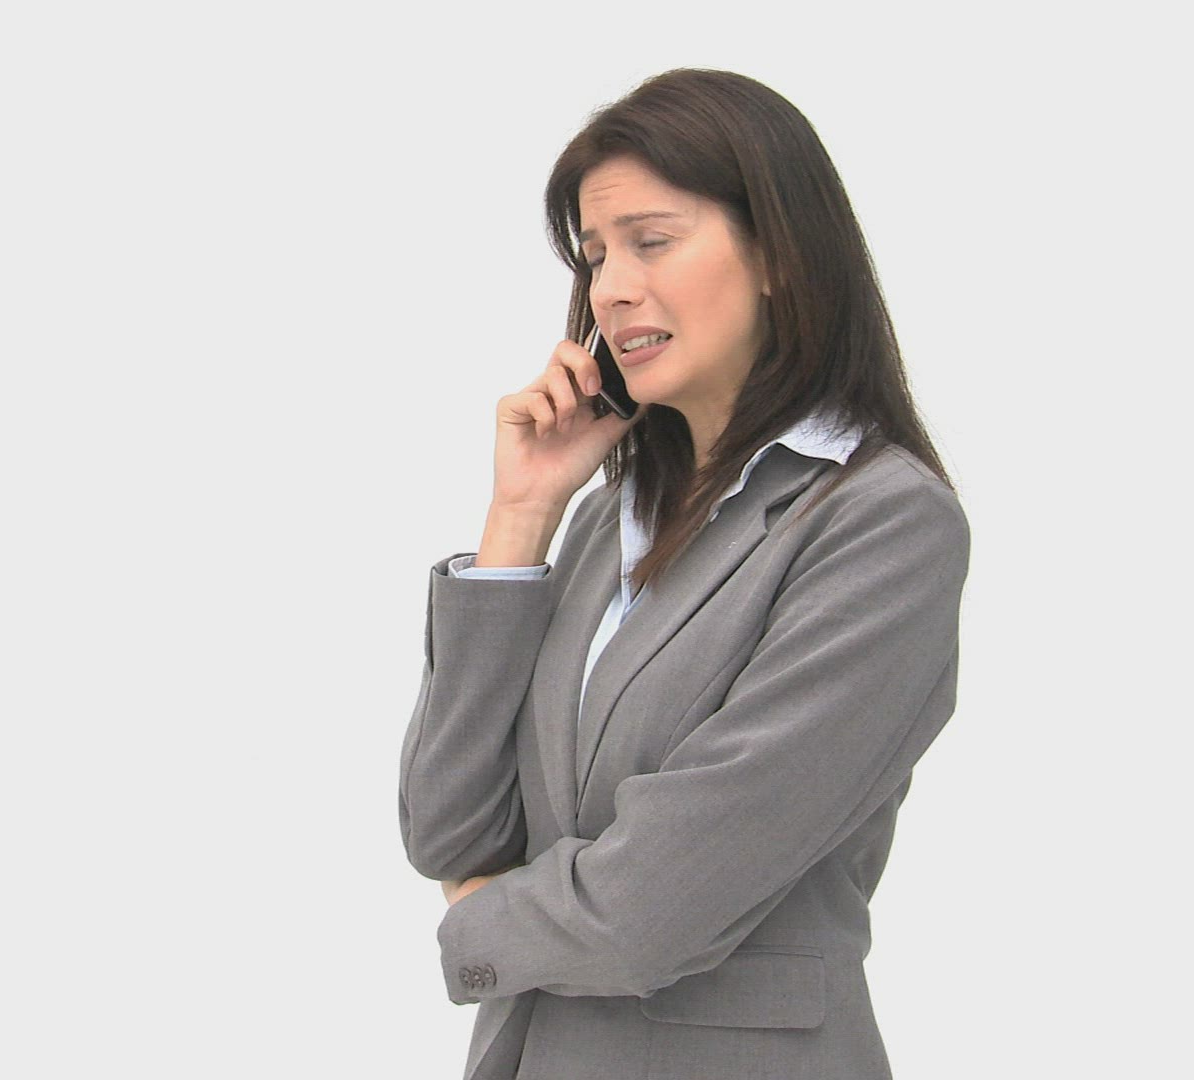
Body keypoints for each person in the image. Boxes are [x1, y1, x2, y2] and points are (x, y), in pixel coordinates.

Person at [397, 68, 972, 1080]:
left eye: (651, 241)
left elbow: (654, 909)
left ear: (779, 254)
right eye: (595, 255)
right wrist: (521, 516)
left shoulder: (882, 523)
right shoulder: (605, 524)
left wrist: (485, 923)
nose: (610, 288)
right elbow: (451, 830)